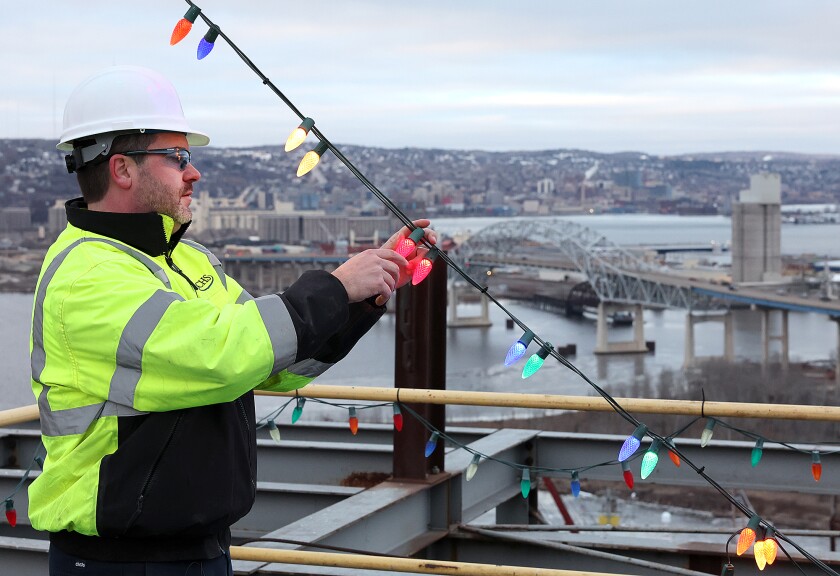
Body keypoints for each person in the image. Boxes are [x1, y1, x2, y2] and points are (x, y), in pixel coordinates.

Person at [29, 65, 435, 575]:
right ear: (122, 169)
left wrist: (363, 298)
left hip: (199, 547)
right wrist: (334, 286)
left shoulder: (191, 260)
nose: (193, 173)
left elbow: (270, 363)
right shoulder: (87, 276)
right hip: (117, 558)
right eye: (177, 158)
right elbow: (217, 354)